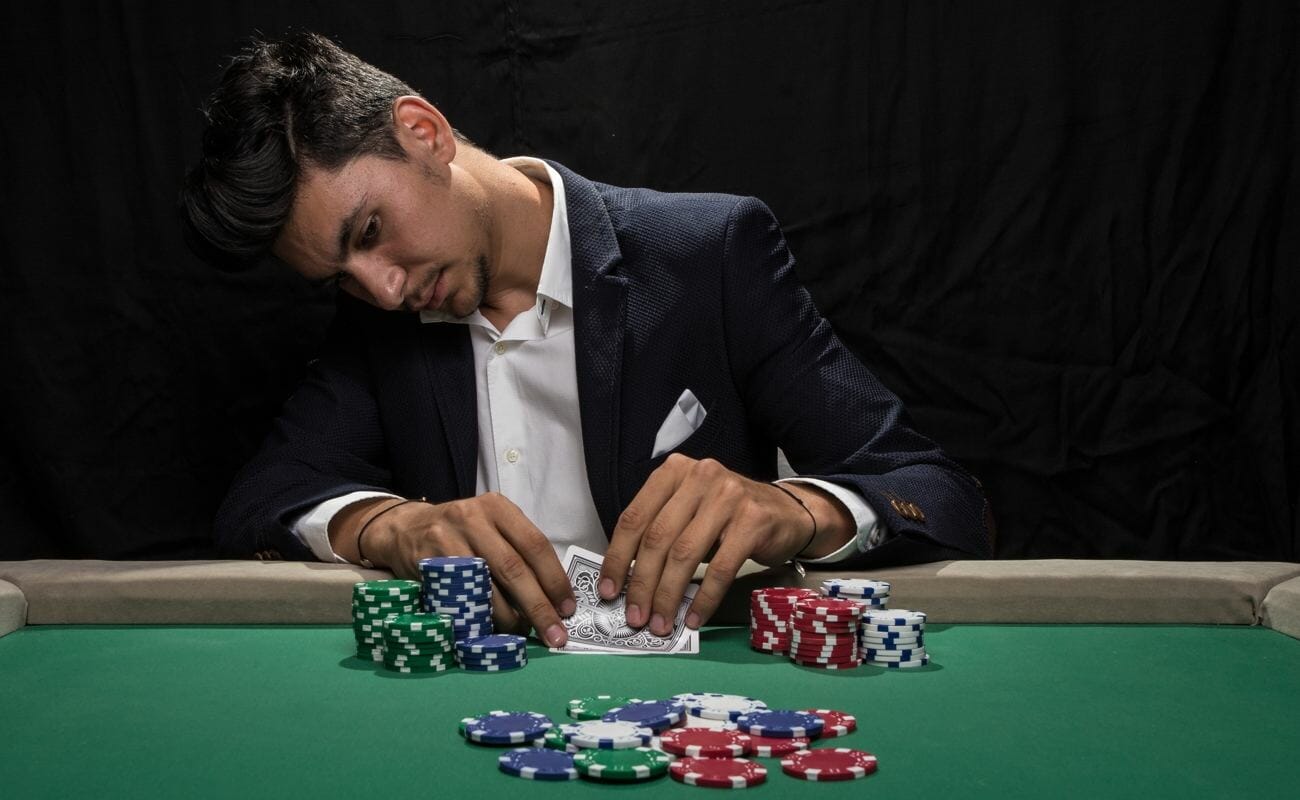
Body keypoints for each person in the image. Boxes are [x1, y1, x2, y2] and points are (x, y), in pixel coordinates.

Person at [180, 32, 991, 649]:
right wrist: (388, 526)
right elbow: (257, 504)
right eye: (342, 276)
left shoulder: (709, 252)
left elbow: (938, 495)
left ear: (422, 131)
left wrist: (797, 507)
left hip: (697, 711)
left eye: (371, 230)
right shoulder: (379, 318)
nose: (383, 288)